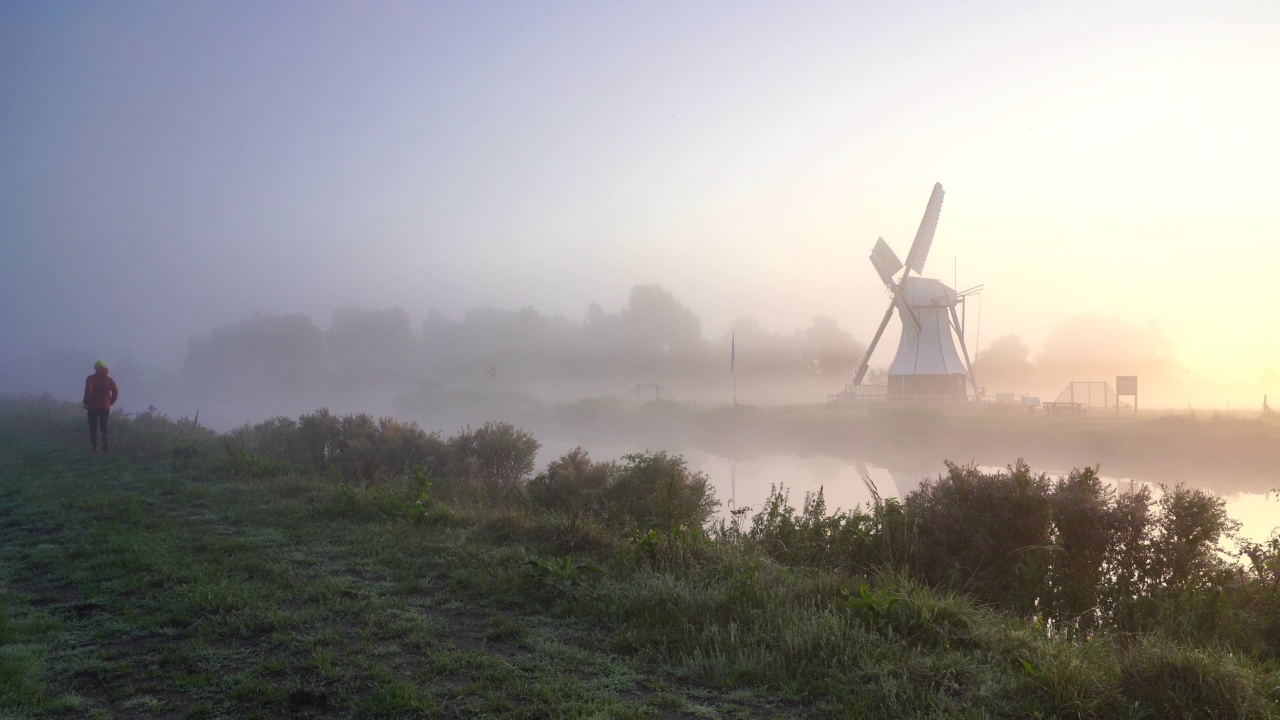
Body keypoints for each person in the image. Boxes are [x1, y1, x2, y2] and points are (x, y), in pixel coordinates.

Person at [83, 360, 119, 452]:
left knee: (93, 427)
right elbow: (115, 392)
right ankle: (105, 443)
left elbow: (88, 391)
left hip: (92, 407)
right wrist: (110, 402)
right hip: (105, 407)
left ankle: (95, 448)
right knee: (104, 427)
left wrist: (86, 402)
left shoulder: (90, 379)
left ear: (95, 368)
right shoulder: (109, 380)